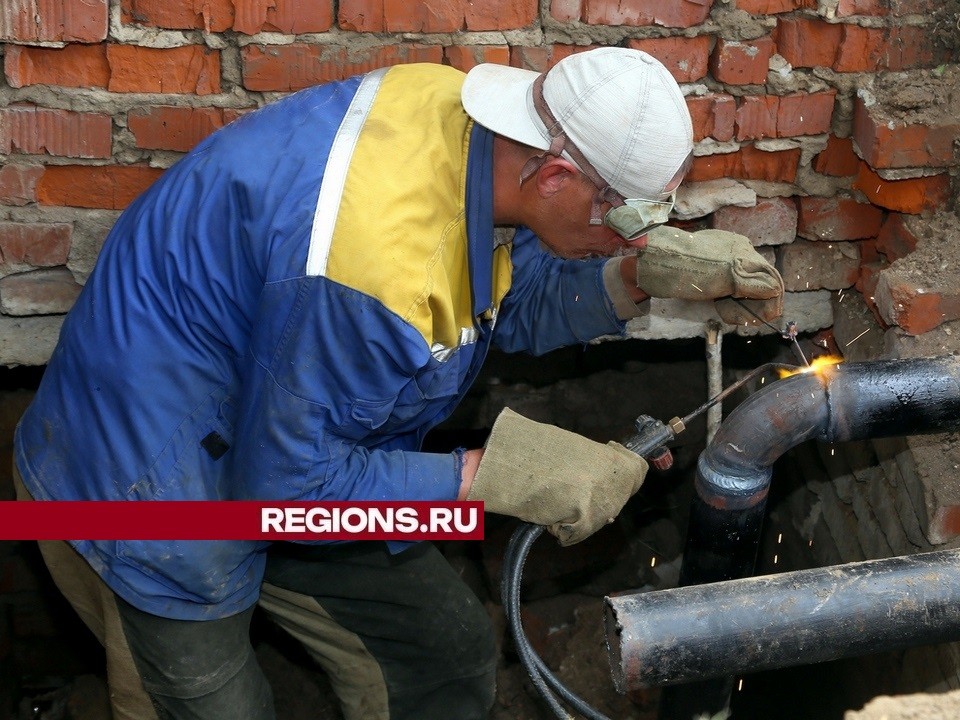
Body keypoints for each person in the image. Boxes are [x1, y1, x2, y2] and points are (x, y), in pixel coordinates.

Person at [13, 47, 783, 720]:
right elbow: (282, 499)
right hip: (150, 480)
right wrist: (497, 476)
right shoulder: (373, 270)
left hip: (297, 434)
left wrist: (631, 276)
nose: (643, 232)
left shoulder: (468, 129)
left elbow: (482, 306)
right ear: (555, 175)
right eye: (631, 218)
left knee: (441, 653)